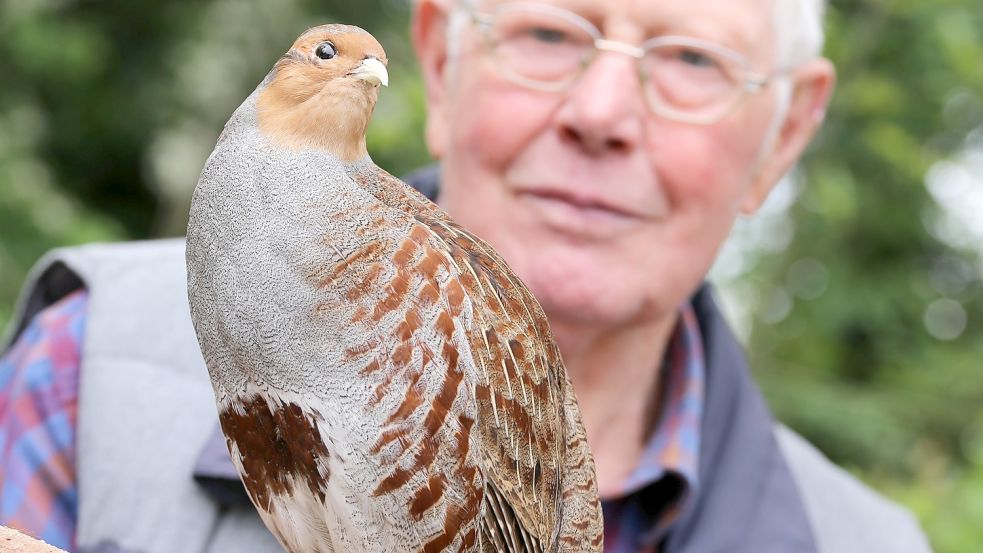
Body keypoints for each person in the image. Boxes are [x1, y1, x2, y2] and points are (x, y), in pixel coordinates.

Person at [0, 0, 933, 551]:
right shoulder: (86, 364)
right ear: (439, 64)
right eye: (550, 33)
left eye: (690, 60)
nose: (599, 113)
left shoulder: (869, 543)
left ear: (785, 136)